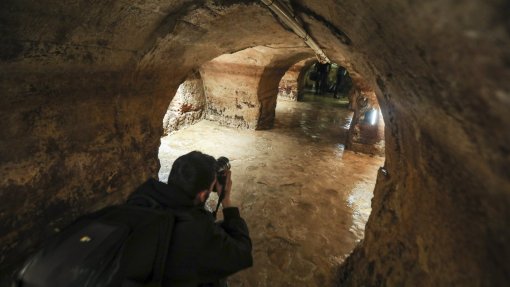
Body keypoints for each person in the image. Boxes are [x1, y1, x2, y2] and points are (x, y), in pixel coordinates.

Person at [128, 151, 253, 286]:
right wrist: (226, 200)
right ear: (202, 195)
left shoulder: (143, 196)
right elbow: (242, 253)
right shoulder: (197, 229)